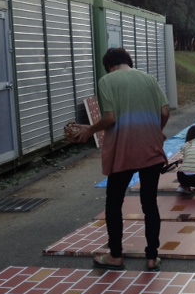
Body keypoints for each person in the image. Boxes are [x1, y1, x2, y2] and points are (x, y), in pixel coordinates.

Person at [72, 47, 169, 272]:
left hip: (122, 150)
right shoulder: (149, 79)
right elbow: (164, 113)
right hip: (150, 149)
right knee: (149, 204)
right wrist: (157, 131)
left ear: (109, 66)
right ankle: (152, 257)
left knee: (114, 203)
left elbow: (110, 117)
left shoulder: (107, 81)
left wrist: (90, 130)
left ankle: (116, 256)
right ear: (129, 61)